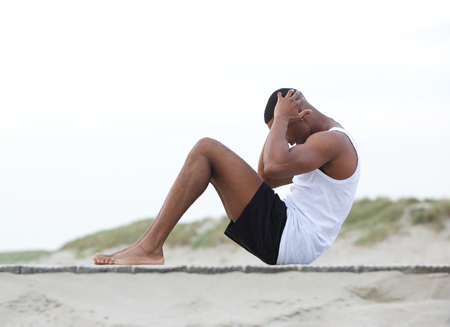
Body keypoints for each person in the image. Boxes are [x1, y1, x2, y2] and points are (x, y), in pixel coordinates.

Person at [93, 88, 360, 266]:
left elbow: (275, 164)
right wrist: (278, 123)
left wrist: (280, 121)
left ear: (303, 115)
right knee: (206, 155)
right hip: (289, 236)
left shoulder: (332, 142)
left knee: (205, 149)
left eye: (288, 133)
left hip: (292, 237)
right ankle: (144, 246)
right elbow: (266, 176)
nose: (287, 140)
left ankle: (149, 248)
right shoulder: (318, 145)